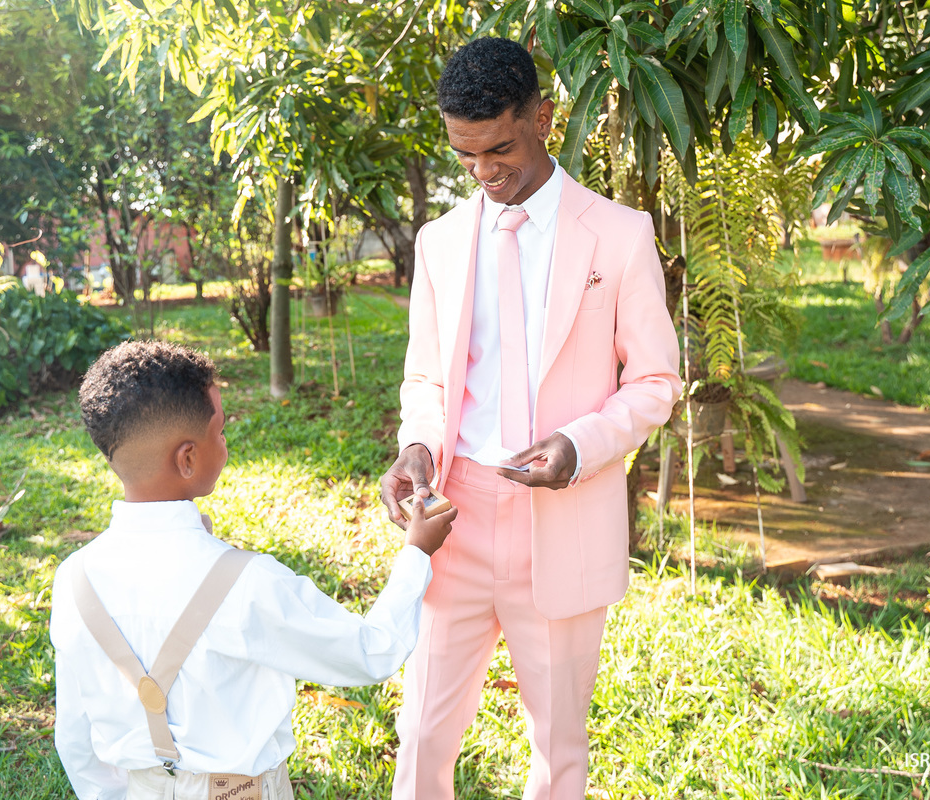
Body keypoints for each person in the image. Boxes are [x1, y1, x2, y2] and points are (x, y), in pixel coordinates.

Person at [380, 37, 682, 799]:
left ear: (542, 118)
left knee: (558, 743)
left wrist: (581, 444)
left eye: (500, 149)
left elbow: (656, 380)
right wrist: (418, 445)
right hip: (454, 520)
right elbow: (426, 376)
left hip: (563, 520)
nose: (484, 171)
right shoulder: (440, 242)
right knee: (422, 733)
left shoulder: (620, 234)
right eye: (465, 155)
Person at [50, 340, 456, 800]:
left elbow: (75, 742)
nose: (225, 441)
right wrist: (416, 553)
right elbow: (371, 652)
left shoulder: (74, 580)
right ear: (187, 458)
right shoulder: (247, 582)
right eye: (220, 431)